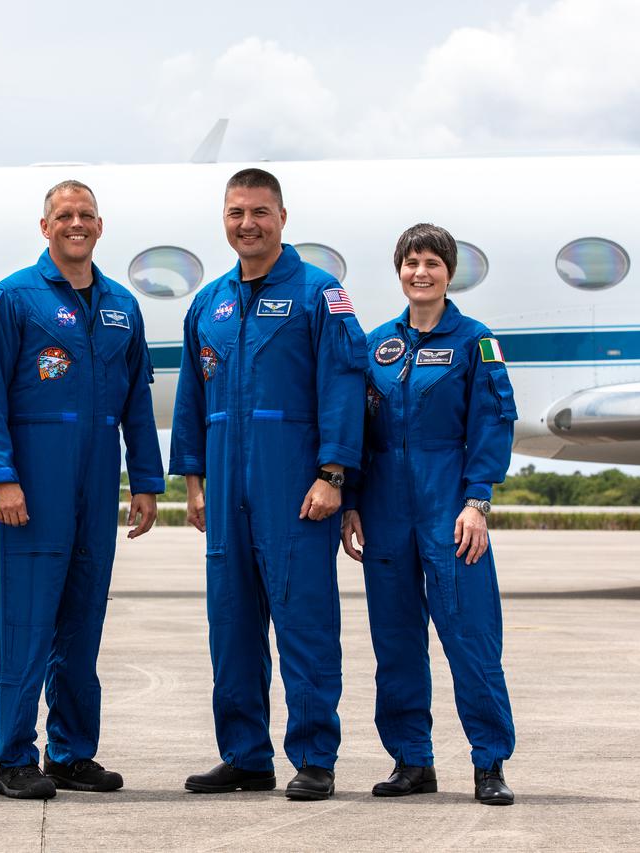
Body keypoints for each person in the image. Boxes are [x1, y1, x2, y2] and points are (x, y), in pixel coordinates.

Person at [169, 168, 367, 801]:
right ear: (224, 221)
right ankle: (246, 755)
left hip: (295, 484)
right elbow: (191, 399)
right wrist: (193, 479)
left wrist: (334, 474)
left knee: (305, 620)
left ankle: (314, 756)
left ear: (283, 217)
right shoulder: (210, 302)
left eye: (259, 211)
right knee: (230, 624)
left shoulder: (319, 294)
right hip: (226, 487)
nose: (247, 223)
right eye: (235, 213)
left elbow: (343, 384)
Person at [0, 180, 164, 800]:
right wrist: (0, 476)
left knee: (83, 621)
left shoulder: (120, 306)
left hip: (98, 478)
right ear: (44, 225)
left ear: (100, 227)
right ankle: (12, 758)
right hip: (34, 479)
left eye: (85, 215)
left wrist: (146, 482)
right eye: (63, 215)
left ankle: (73, 752)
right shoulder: (13, 298)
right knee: (27, 623)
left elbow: (138, 398)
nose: (75, 224)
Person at [341, 223, 519, 806]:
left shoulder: (475, 341)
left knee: (470, 637)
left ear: (449, 272)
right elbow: (356, 434)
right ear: (399, 272)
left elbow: (492, 424)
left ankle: (489, 763)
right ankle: (411, 761)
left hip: (450, 507)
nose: (421, 272)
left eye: (432, 263)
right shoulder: (375, 347)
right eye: (411, 262)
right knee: (395, 642)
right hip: (385, 507)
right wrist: (352, 504)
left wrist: (477, 502)